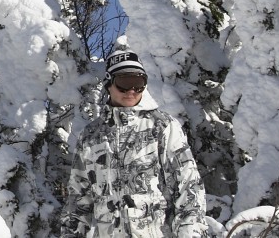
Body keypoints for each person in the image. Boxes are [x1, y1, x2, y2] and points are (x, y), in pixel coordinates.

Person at [63, 50, 208, 237]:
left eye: (138, 84)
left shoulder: (162, 126)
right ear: (109, 84)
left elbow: (189, 185)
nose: (132, 90)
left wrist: (190, 232)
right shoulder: (91, 136)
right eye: (124, 83)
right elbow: (79, 197)